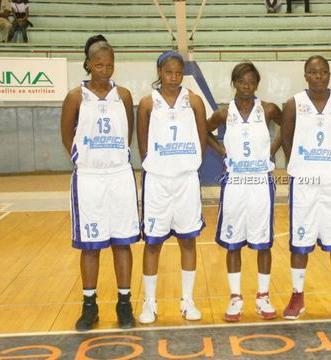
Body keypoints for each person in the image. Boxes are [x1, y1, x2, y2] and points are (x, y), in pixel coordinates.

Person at [61, 35, 139, 331]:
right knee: (90, 246)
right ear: (89, 65)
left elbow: (127, 132)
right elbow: (67, 136)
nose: (105, 70)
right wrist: (83, 157)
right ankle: (89, 305)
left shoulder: (125, 95)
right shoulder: (75, 97)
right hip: (90, 178)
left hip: (119, 175)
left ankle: (124, 302)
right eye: (99, 65)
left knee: (122, 242)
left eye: (109, 65)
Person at [281, 55, 331, 320]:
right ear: (306, 76)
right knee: (300, 242)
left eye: (323, 72)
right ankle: (297, 296)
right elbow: (287, 141)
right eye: (313, 72)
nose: (319, 76)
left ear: (329, 74)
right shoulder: (293, 104)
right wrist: (302, 167)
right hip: (304, 183)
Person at [207, 62, 282, 322]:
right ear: (235, 83)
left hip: (261, 182)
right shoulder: (223, 113)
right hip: (235, 182)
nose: (246, 86)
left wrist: (272, 150)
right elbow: (205, 131)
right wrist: (223, 152)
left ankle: (263, 296)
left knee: (263, 243)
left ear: (257, 84)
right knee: (234, 242)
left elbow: (288, 126)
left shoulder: (269, 109)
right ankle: (235, 297)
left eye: (251, 81)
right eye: (241, 81)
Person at [137, 50, 207, 324]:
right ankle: (149, 303)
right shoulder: (147, 103)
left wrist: (191, 161)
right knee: (152, 244)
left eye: (178, 73)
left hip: (186, 180)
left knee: (188, 240)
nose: (174, 77)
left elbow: (202, 137)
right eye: (168, 72)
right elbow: (141, 142)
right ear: (159, 73)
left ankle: (187, 300)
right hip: (157, 182)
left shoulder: (195, 102)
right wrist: (152, 162)